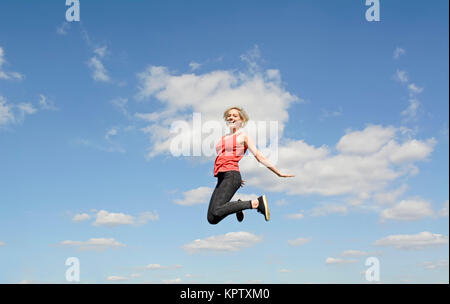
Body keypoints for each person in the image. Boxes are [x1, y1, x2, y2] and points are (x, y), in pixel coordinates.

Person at [207, 106, 295, 225]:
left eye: (234, 115)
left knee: (217, 211)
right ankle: (239, 205)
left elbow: (259, 156)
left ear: (241, 120)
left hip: (230, 175)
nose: (231, 117)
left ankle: (256, 203)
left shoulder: (243, 136)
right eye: (228, 115)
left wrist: (278, 172)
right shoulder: (223, 137)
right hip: (223, 176)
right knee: (212, 218)